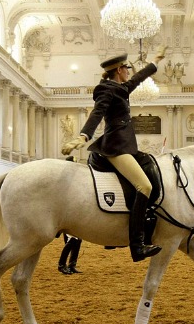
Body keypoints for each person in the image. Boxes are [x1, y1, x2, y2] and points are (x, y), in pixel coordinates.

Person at [61, 46, 168, 262]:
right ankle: (137, 246)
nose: (129, 72)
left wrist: (155, 61)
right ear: (119, 70)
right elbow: (97, 113)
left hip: (126, 146)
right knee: (144, 186)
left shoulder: (120, 88)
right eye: (126, 69)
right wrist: (83, 136)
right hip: (116, 147)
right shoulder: (106, 90)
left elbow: (138, 78)